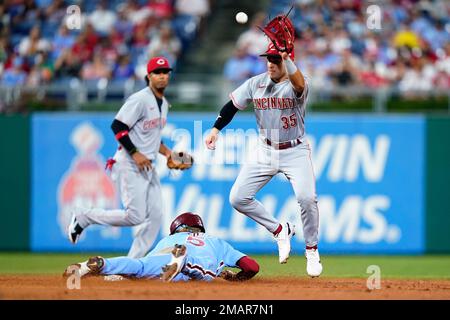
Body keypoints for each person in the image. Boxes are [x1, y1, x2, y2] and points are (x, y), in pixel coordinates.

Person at [204, 43, 323, 277]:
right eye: (268, 58)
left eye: (275, 59)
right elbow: (231, 107)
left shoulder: (298, 82)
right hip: (265, 149)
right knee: (238, 198)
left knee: (307, 198)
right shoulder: (255, 83)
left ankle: (311, 250)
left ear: (287, 61)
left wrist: (286, 58)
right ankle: (280, 230)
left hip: (294, 150)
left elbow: (299, 84)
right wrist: (215, 129)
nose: (270, 63)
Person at [67, 56, 182, 259]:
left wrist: (168, 154)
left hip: (147, 165)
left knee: (156, 216)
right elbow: (118, 126)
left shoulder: (163, 104)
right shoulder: (140, 99)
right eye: (157, 72)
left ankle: (132, 263)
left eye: (165, 72)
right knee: (134, 216)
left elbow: (153, 139)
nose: (162, 76)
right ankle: (84, 216)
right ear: (149, 76)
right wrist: (135, 152)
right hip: (129, 162)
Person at [64, 212, 259, 282]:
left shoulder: (166, 240)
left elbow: (142, 265)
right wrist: (236, 279)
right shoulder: (216, 241)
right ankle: (184, 262)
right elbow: (252, 267)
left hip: (167, 260)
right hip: (191, 265)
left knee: (139, 267)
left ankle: (97, 265)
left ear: (176, 229)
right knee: (204, 273)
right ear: (200, 228)